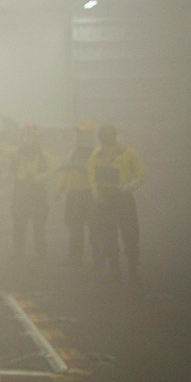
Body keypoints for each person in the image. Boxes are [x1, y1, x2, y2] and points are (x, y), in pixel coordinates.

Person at [87, 123, 143, 285]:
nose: (106, 139)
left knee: (130, 235)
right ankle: (114, 270)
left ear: (114, 136)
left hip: (124, 198)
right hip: (105, 200)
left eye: (109, 136)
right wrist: (95, 192)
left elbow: (140, 176)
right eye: (104, 136)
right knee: (108, 237)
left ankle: (133, 271)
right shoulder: (96, 154)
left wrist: (128, 187)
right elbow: (92, 177)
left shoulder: (128, 152)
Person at [56, 122, 99, 268]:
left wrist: (79, 167)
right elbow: (66, 174)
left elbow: (98, 173)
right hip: (73, 195)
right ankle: (74, 259)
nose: (81, 137)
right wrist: (59, 190)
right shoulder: (72, 152)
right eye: (79, 134)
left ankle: (98, 260)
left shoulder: (97, 153)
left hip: (90, 195)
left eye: (84, 134)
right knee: (74, 229)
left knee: (94, 228)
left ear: (91, 136)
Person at [11, 124, 54, 262]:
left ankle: (41, 254)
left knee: (39, 226)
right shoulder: (16, 155)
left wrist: (40, 177)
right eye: (27, 135)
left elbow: (52, 171)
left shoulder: (45, 155)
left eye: (32, 136)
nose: (29, 139)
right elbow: (10, 172)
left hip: (37, 194)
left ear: (37, 137)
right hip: (20, 193)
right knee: (19, 226)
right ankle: (18, 254)